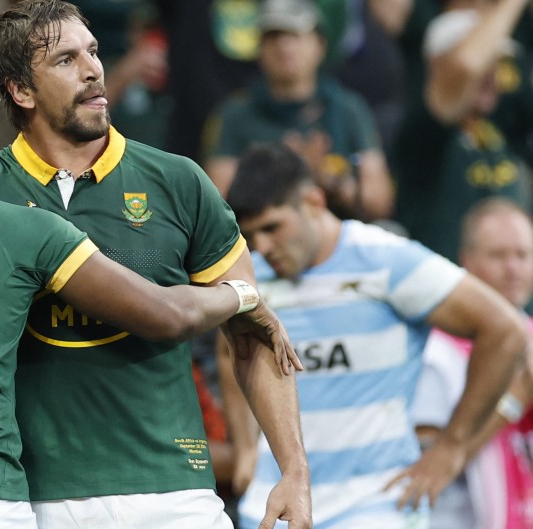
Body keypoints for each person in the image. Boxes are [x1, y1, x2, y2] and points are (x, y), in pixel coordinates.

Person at [0, 2, 313, 528]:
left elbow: (252, 335)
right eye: (66, 60)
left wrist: (294, 470)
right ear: (20, 90)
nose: (94, 68)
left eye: (92, 51)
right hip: (35, 499)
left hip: (173, 492)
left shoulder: (178, 181)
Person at [220, 142, 526, 528]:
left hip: (376, 505)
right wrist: (246, 446)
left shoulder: (386, 260)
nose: (262, 246)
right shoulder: (255, 272)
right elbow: (230, 347)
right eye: (251, 234)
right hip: (277, 504)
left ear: (314, 202)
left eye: (272, 227)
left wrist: (452, 448)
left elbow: (505, 330)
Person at [203, 0, 394, 222]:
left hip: (338, 236)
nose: (284, 46)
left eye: (295, 34)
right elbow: (216, 205)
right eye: (273, 36)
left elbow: (380, 204)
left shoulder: (348, 109)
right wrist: (283, 175)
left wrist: (332, 183)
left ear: (320, 44)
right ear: (259, 48)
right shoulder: (236, 114)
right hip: (262, 242)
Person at [411, 197, 533, 529]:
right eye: (498, 255)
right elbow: (427, 470)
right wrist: (516, 398)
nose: (513, 269)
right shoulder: (436, 351)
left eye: (523, 255)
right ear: (466, 261)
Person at [391, 0, 532, 262]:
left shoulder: (505, 127)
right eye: (484, 63)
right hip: (447, 296)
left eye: (497, 62)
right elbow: (465, 65)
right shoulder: (424, 132)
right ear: (435, 63)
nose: (492, 73)